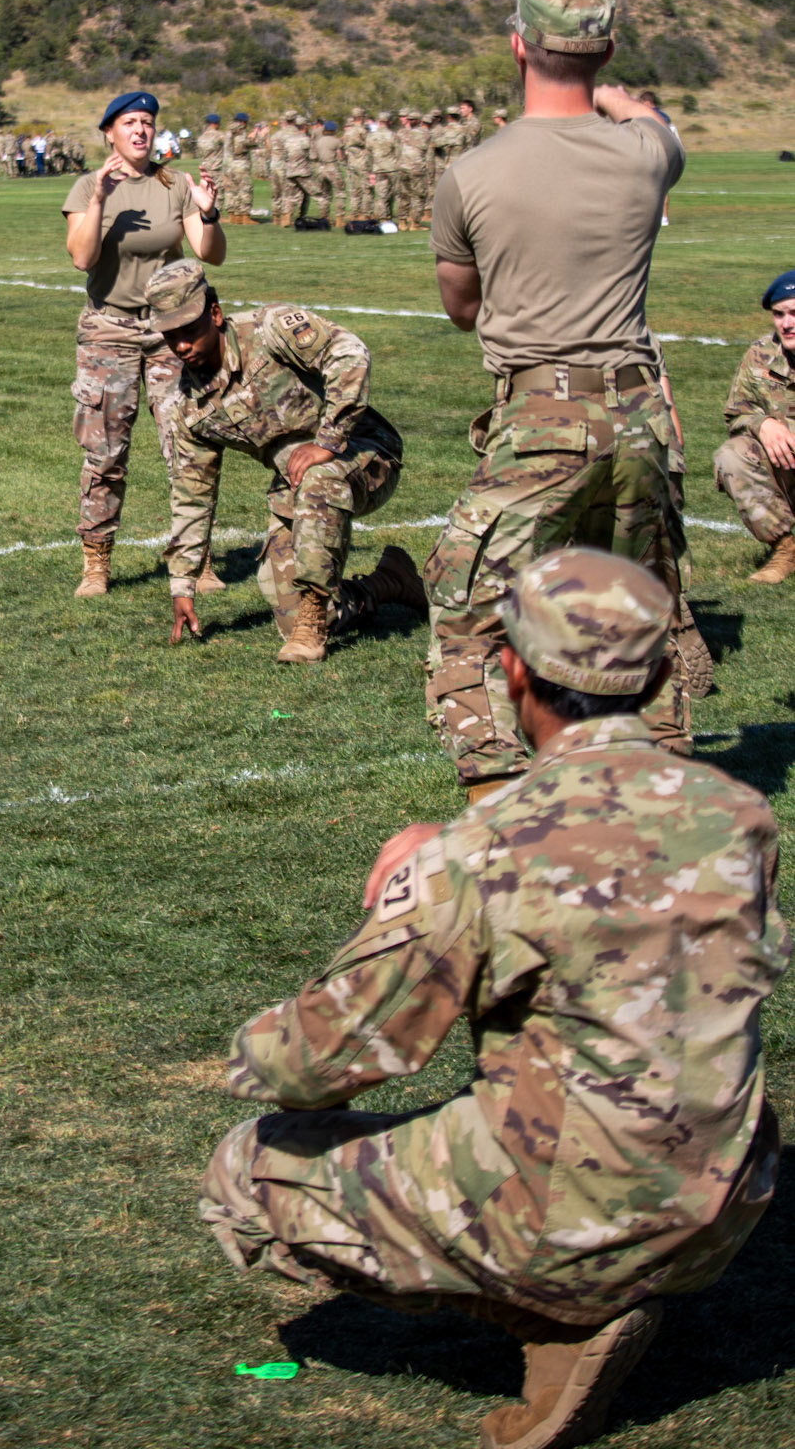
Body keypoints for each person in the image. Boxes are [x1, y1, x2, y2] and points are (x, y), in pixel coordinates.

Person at [200, 547, 788, 1449]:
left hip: (575, 1212)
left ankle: (556, 1314)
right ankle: (582, 1287)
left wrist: (409, 896)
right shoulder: (737, 813)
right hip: (729, 1200)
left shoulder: (484, 850)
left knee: (247, 1169)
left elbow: (312, 1064)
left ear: (511, 669)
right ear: (659, 675)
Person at [423, 0, 690, 796]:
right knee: (636, 612)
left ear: (516, 46)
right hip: (640, 414)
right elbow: (651, 121)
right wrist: (611, 95)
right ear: (604, 51)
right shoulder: (647, 154)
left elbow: (461, 307)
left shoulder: (471, 174)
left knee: (469, 611)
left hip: (540, 413)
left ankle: (500, 809)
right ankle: (664, 802)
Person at [150, 259, 425, 661]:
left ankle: (312, 628)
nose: (181, 346)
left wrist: (328, 440)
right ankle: (389, 582)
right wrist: (182, 585)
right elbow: (192, 494)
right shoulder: (188, 405)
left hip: (366, 454)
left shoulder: (271, 329)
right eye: (170, 335)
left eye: (188, 330)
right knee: (287, 614)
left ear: (215, 313)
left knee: (318, 478)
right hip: (297, 486)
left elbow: (350, 354)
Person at [62, 89, 226, 598]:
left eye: (147, 122)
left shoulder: (174, 184)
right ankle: (96, 562)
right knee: (105, 452)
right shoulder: (88, 186)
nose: (140, 130)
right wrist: (99, 201)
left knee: (187, 446)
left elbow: (211, 254)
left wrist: (209, 213)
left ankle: (195, 559)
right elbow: (81, 259)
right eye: (130, 122)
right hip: (108, 330)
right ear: (109, 133)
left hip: (168, 332)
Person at [714, 268, 795, 583]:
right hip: (787, 467)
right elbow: (736, 414)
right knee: (732, 455)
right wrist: (762, 424)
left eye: (794, 314)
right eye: (779, 314)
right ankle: (786, 549)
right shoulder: (761, 354)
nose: (786, 324)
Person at [221, 111, 254, 224]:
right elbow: (240, 148)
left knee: (231, 191)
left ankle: (234, 216)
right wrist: (253, 139)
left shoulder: (228, 132)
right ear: (243, 122)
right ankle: (245, 217)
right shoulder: (239, 132)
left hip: (227, 165)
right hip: (239, 164)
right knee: (244, 189)